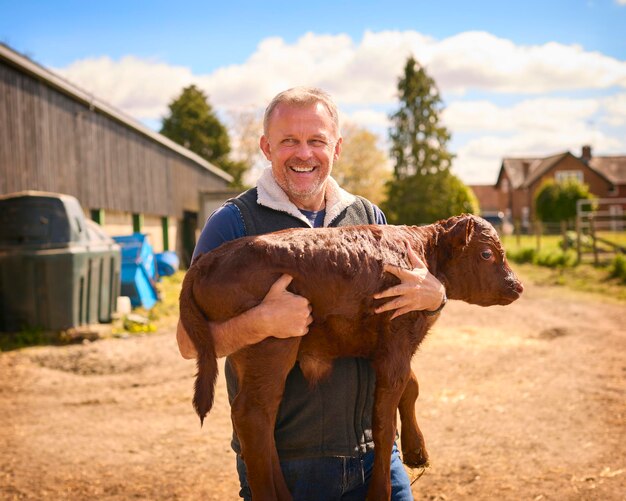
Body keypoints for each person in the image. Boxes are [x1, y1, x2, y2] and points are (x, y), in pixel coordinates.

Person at [176, 87, 446, 500]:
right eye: (289, 141)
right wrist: (259, 322)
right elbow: (187, 344)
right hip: (288, 464)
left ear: (336, 147)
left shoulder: (369, 217)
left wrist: (435, 296)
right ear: (266, 147)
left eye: (316, 140)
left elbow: (399, 315)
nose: (304, 153)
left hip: (377, 453)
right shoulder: (233, 224)